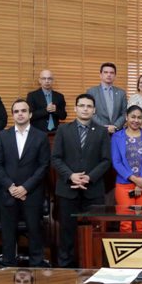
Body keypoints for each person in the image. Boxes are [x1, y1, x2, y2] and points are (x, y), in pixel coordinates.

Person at [51, 94, 111, 267]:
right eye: (82, 105)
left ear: (94, 110)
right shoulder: (63, 130)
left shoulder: (101, 132)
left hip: (93, 190)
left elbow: (106, 160)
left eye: (89, 106)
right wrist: (71, 175)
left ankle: (95, 266)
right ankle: (65, 268)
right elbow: (56, 158)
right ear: (75, 108)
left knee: (96, 231)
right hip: (67, 189)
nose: (85, 109)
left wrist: (89, 177)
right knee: (66, 232)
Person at [0, 99, 51, 267]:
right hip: (7, 191)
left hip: (31, 192)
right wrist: (11, 187)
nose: (20, 114)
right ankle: (8, 263)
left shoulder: (40, 136)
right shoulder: (3, 135)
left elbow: (43, 165)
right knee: (8, 232)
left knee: (34, 230)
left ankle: (36, 263)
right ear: (13, 115)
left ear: (30, 114)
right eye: (16, 111)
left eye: (23, 110)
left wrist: (25, 188)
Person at [111, 105, 142, 233]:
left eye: (139, 117)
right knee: (125, 222)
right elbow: (116, 162)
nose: (136, 120)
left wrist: (141, 181)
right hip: (124, 184)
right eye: (133, 117)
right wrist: (134, 179)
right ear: (126, 117)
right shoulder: (117, 137)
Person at [87, 62, 127, 134]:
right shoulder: (91, 91)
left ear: (115, 76)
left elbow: (124, 113)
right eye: (106, 72)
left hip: (117, 132)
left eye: (112, 73)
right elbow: (91, 112)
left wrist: (115, 126)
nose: (109, 75)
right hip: (97, 132)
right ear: (100, 75)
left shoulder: (121, 93)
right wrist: (104, 127)